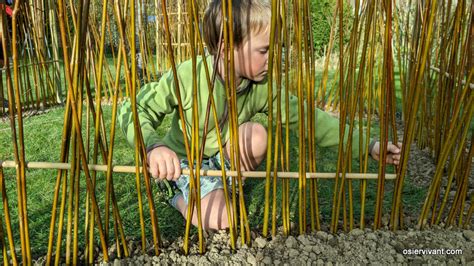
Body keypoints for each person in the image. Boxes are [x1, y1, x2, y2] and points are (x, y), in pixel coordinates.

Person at [118, 0, 401, 230]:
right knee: (223, 220)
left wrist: (369, 145)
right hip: (184, 162)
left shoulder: (262, 86)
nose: (272, 58)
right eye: (264, 50)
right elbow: (134, 108)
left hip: (223, 158)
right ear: (228, 50)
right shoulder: (189, 76)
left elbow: (309, 119)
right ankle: (176, 194)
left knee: (256, 136)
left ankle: (223, 184)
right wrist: (155, 146)